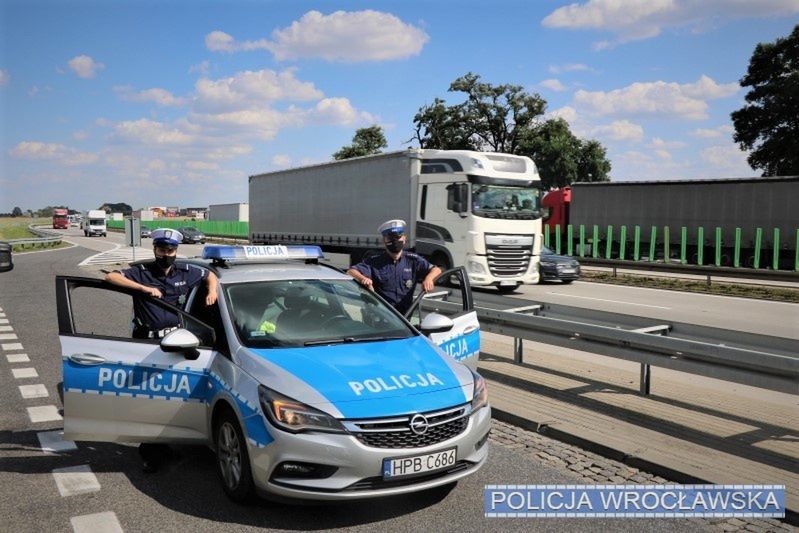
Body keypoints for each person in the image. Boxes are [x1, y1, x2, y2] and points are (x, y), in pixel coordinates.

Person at [104, 227, 218, 473]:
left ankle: (168, 442)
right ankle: (151, 453)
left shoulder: (186, 272)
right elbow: (111, 277)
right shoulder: (141, 272)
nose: (166, 254)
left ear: (176, 251)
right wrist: (143, 290)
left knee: (172, 395)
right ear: (154, 249)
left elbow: (209, 274)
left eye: (171, 250)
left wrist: (212, 291)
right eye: (162, 249)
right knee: (148, 398)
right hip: (146, 343)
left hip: (176, 342)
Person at [347, 219, 441, 315]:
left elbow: (436, 269)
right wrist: (363, 279)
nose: (395, 241)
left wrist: (429, 278)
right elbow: (351, 271)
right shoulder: (374, 261)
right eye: (390, 238)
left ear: (404, 239)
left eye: (398, 237)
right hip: (380, 318)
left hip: (404, 319)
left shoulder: (413, 260)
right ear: (384, 240)